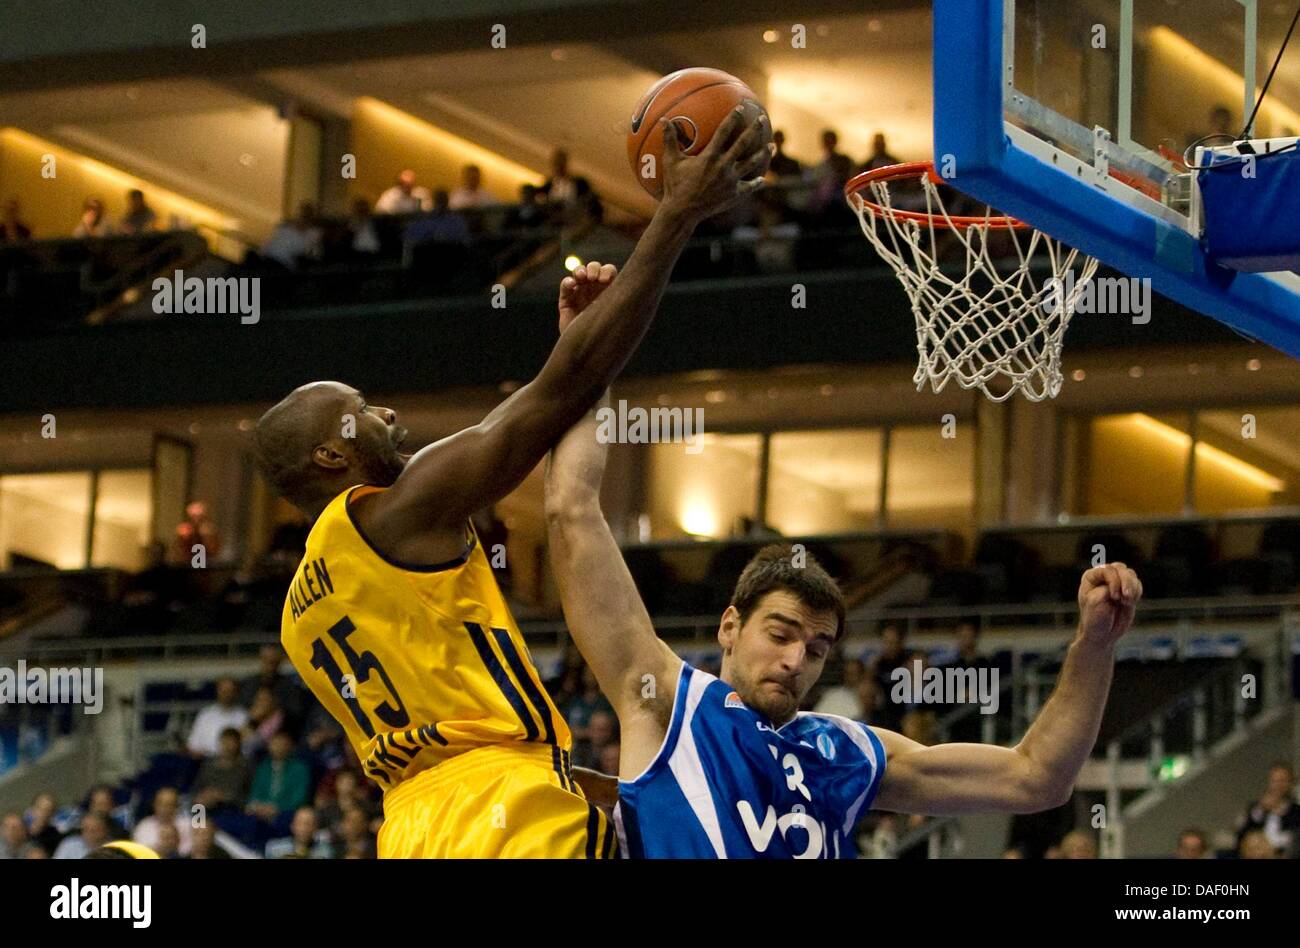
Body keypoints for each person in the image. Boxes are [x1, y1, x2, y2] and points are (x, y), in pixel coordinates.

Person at [251, 107, 770, 858]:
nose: (386, 413)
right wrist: (677, 213)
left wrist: (578, 354)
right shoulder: (393, 513)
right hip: (506, 819)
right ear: (332, 459)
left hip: (416, 831)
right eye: (361, 413)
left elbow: (458, 743)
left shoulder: (300, 617)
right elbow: (562, 389)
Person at [543, 390, 1144, 857]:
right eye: (780, 635)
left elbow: (1035, 778)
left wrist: (1094, 645)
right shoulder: (669, 701)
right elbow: (572, 511)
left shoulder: (845, 748)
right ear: (730, 626)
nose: (794, 661)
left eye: (817, 649)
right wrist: (590, 358)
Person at [1236, 762, 1299, 857]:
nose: (1278, 785)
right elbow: (1242, 836)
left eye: (1283, 780)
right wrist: (1260, 810)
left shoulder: (1296, 811)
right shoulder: (1256, 809)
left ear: (1291, 783)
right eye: (1274, 781)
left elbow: (1294, 839)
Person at [186, 678, 249, 757]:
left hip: (236, 762)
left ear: (236, 692)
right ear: (217, 691)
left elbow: (248, 748)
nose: (226, 694)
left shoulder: (243, 716)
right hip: (207, 762)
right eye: (223, 691)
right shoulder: (205, 715)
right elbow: (192, 746)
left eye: (230, 691)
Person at [132, 786, 192, 856]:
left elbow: (193, 850)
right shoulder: (143, 827)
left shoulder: (188, 825)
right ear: (154, 805)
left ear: (177, 806)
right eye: (161, 804)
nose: (164, 809)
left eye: (169, 804)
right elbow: (139, 852)